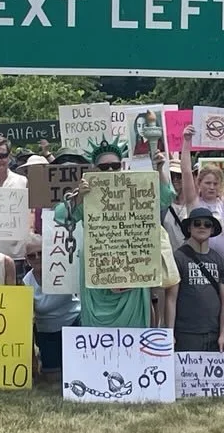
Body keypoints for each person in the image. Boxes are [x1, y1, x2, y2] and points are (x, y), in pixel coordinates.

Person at [55, 140, 152, 328]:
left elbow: (164, 198)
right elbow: (60, 216)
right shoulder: (87, 194)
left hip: (132, 272)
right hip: (97, 276)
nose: (109, 171)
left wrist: (162, 169)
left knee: (132, 333)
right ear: (95, 169)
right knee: (98, 340)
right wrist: (79, 197)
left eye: (114, 166)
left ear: (121, 167)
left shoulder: (137, 191)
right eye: (104, 167)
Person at [165, 206, 224, 351]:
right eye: (197, 223)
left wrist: (223, 333)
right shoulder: (178, 257)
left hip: (214, 334)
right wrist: (169, 333)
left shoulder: (219, 260)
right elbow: (171, 299)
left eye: (207, 224)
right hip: (185, 333)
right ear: (189, 228)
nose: (202, 227)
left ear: (212, 230)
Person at [177, 126, 224, 259]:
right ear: (199, 184)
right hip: (199, 261)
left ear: (220, 186)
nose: (211, 187)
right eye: (207, 183)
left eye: (215, 184)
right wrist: (186, 141)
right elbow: (186, 171)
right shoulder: (194, 203)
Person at [23, 237, 80, 379]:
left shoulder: (64, 269)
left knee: (76, 372)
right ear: (26, 259)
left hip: (73, 323)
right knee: (52, 379)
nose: (37, 257)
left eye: (41, 253)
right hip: (46, 332)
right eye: (32, 255)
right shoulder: (26, 282)